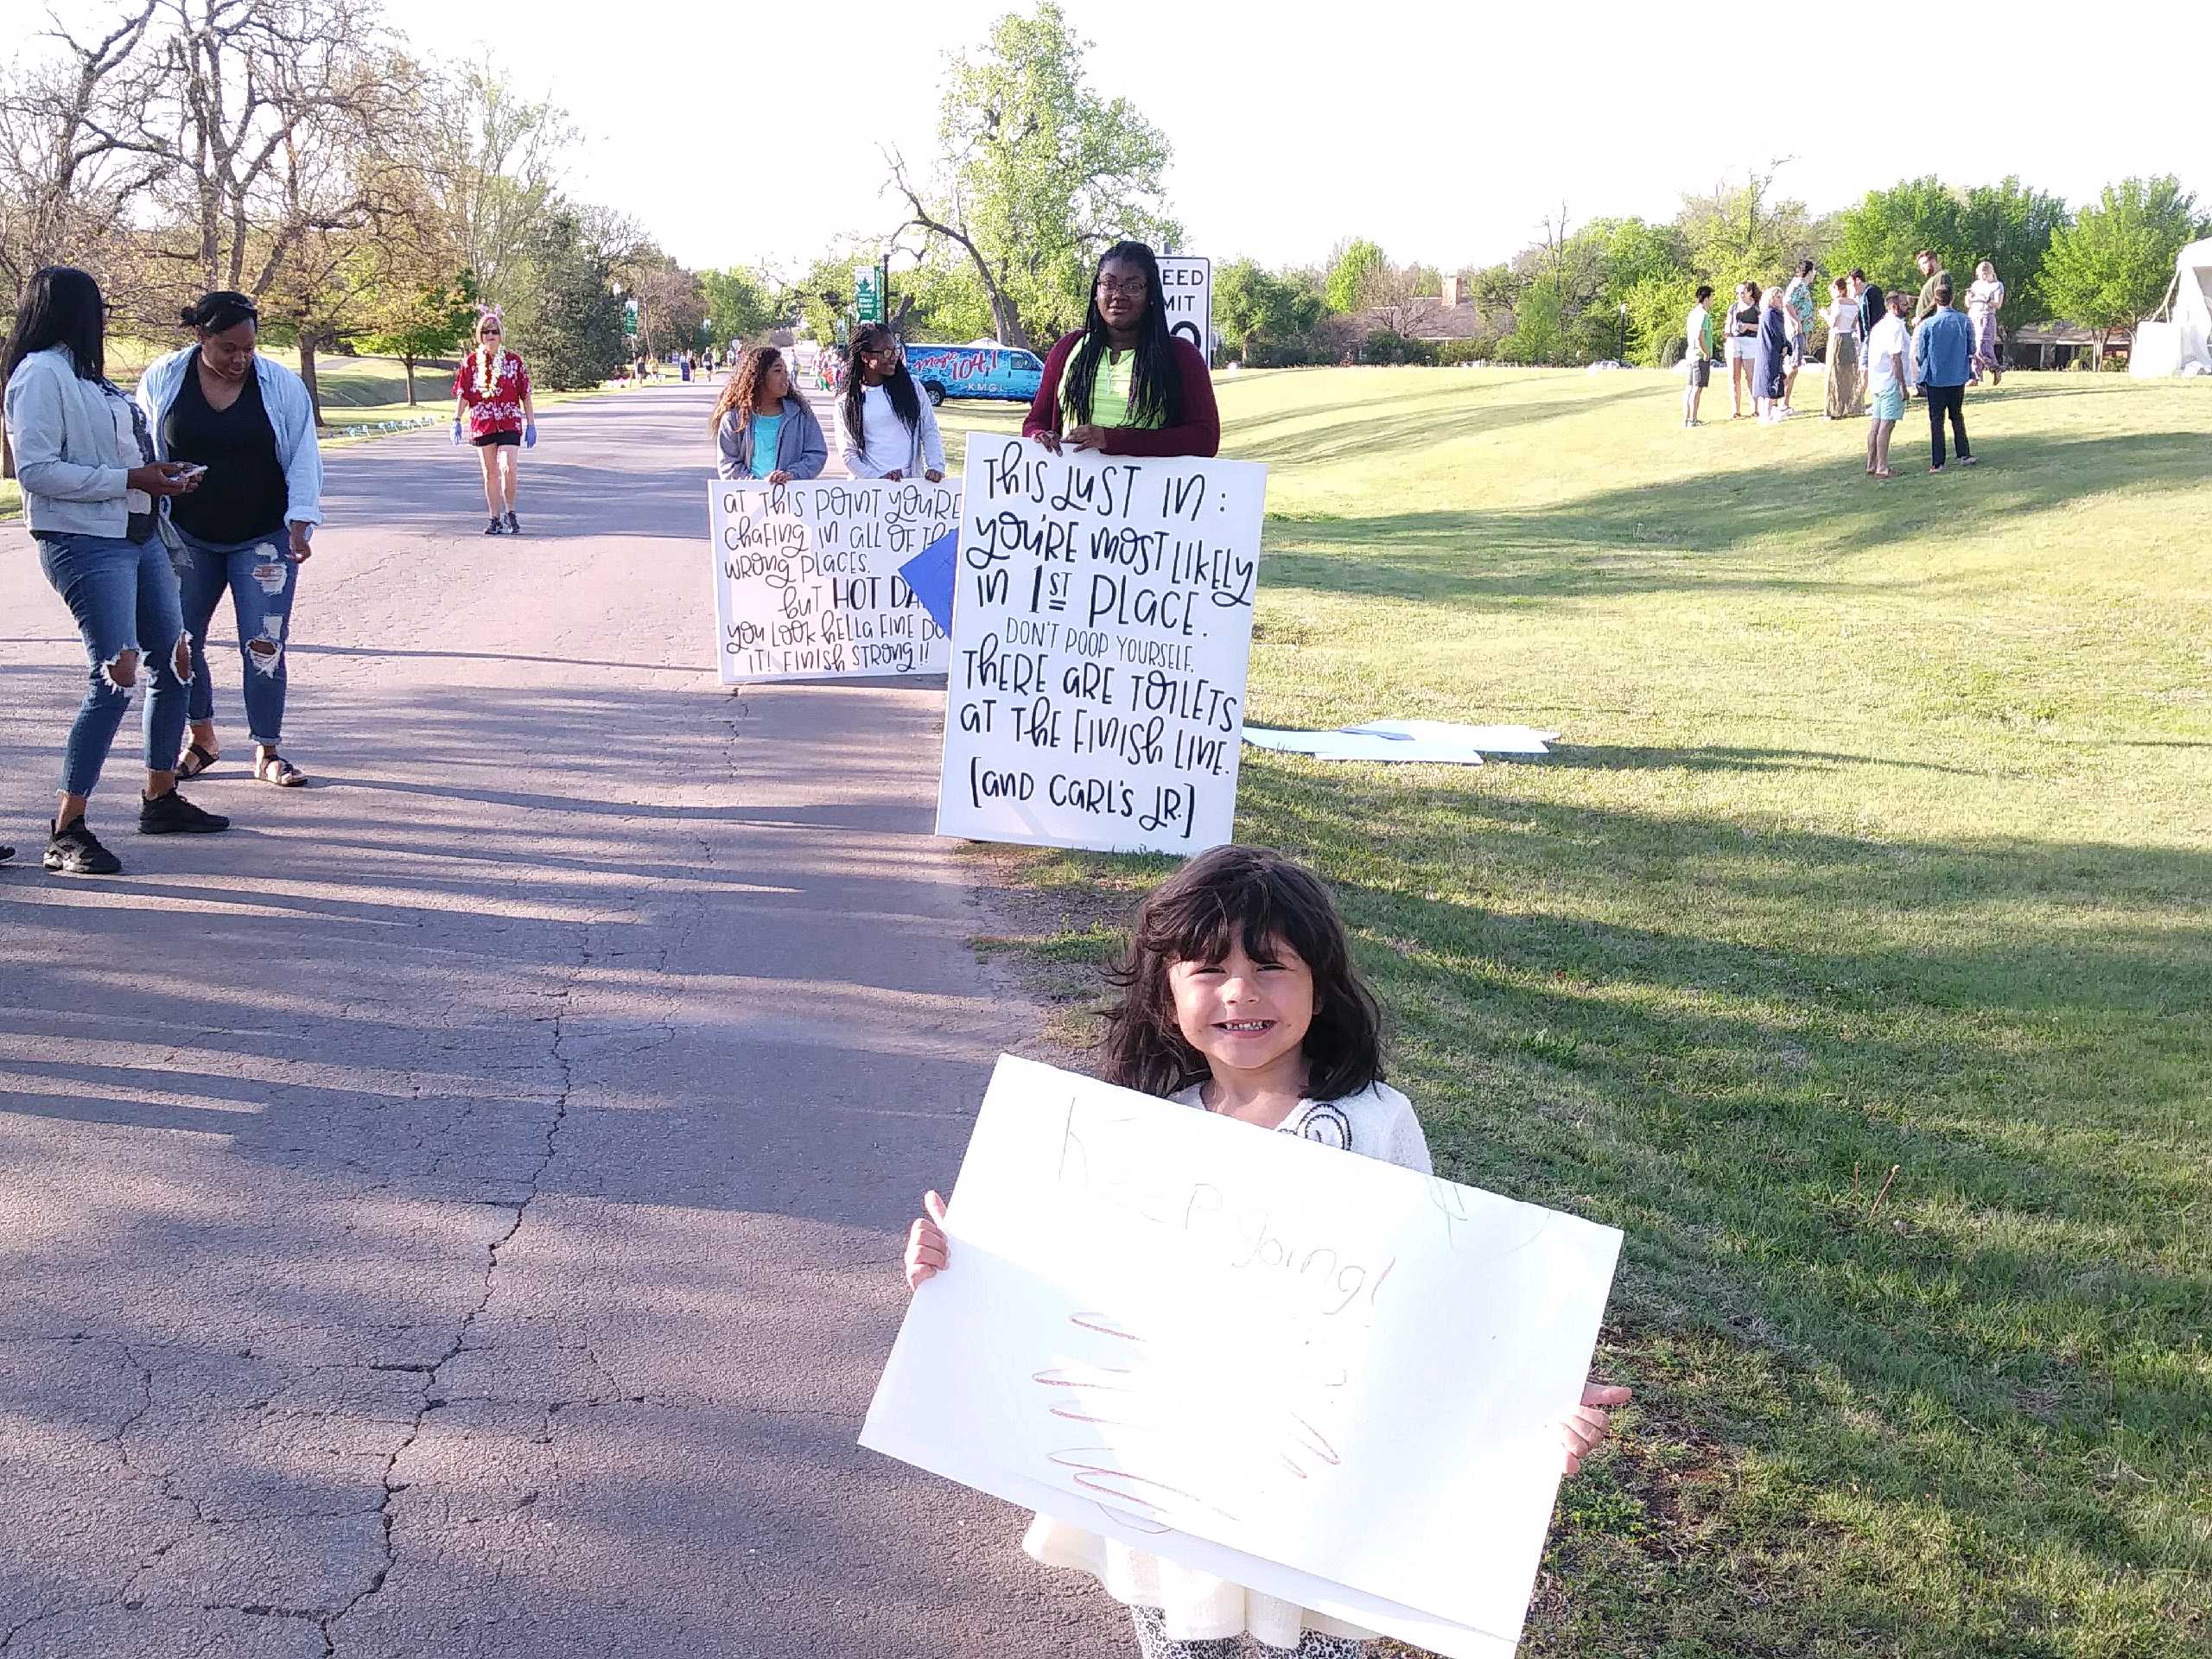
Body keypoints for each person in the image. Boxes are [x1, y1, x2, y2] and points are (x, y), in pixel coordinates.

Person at [900, 845, 1632, 1659]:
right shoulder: (1138, 1132)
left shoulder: (1375, 1122)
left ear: (1321, 989)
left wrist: (1531, 1399)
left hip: (1320, 1493)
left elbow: (1440, 1294)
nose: (1241, 992)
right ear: (1165, 994)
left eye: (1273, 967)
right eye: (1208, 968)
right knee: (1184, 1639)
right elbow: (1058, 1288)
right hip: (1169, 1488)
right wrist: (957, 1265)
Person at [3, 264, 231, 875]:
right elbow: (35, 471)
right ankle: (66, 828)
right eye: (95, 308)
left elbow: (117, 455)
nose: (102, 320)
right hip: (83, 542)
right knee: (115, 674)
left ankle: (160, 798)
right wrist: (129, 479)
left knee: (175, 659)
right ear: (71, 311)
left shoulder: (90, 379)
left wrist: (162, 475)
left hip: (139, 532)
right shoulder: (39, 375)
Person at [137, 290, 323, 789]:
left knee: (263, 644)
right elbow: (144, 446)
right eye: (227, 349)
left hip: (263, 537)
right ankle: (202, 738)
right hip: (184, 537)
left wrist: (301, 521)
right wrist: (160, 482)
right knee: (180, 642)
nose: (240, 359)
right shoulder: (163, 378)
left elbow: (304, 453)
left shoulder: (278, 385)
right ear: (201, 338)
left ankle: (267, 750)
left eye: (249, 348)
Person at [1025, 239, 1220, 458]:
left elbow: (1205, 439)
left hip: (1147, 489)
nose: (1118, 295)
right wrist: (1040, 435)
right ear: (1096, 291)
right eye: (1108, 284)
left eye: (1132, 286)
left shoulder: (1180, 355)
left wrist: (1113, 440)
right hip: (1071, 489)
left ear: (1151, 295)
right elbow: (1035, 421)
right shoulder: (1068, 349)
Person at [451, 308, 536, 536]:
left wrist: (531, 424)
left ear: (501, 335)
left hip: (509, 422)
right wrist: (457, 419)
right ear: (480, 336)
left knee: (508, 467)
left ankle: (511, 513)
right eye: (486, 331)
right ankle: (494, 518)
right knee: (490, 473)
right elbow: (464, 393)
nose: (490, 336)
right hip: (483, 423)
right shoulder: (470, 363)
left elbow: (525, 394)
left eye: (495, 331)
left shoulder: (513, 362)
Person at [836, 323, 946, 482]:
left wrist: (936, 466)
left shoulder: (913, 388)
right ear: (865, 356)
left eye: (895, 350)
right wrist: (877, 478)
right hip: (869, 489)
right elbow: (848, 453)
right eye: (886, 352)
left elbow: (929, 430)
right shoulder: (846, 402)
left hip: (910, 485)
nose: (893, 356)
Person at [711, 345, 827, 481]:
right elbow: (728, 465)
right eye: (778, 370)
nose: (785, 376)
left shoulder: (800, 413)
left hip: (791, 498)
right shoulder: (734, 419)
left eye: (786, 371)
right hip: (750, 499)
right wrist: (757, 485)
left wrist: (792, 475)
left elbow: (817, 453)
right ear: (758, 376)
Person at [1915, 274, 1976, 474]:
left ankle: (1938, 462)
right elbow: (1972, 348)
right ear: (1952, 299)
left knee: (1936, 420)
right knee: (1957, 416)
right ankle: (1963, 454)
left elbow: (1921, 354)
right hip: (1957, 376)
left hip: (1936, 378)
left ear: (1936, 301)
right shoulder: (1964, 321)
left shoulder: (1928, 325)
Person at [1864, 289, 1910, 479]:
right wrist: (1902, 385)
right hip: (1891, 381)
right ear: (1894, 306)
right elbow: (1895, 357)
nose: (1908, 307)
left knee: (1875, 424)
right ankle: (1882, 467)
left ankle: (1871, 463)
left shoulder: (1879, 326)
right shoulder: (1895, 327)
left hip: (1878, 380)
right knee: (1887, 424)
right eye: (1905, 304)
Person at [1821, 276, 1862, 421]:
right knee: (1847, 373)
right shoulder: (1854, 304)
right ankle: (1848, 405)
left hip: (1837, 338)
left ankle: (1833, 409)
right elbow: (1853, 323)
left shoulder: (1837, 303)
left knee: (1834, 373)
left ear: (1839, 289)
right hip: (1849, 337)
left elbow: (1833, 323)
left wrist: (1824, 314)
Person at [1782, 259, 1816, 411]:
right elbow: (1787, 303)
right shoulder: (1798, 285)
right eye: (1813, 271)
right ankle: (1778, 399)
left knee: (1795, 367)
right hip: (1795, 332)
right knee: (1793, 366)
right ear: (1808, 272)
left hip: (1800, 332)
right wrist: (1797, 322)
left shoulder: (1801, 286)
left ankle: (1785, 403)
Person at [1723, 281, 1762, 418]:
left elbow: (1762, 326)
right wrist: (1728, 332)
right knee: (1734, 377)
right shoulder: (1733, 308)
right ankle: (1736, 411)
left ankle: (1755, 409)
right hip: (1734, 342)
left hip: (1751, 342)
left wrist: (1747, 326)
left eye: (1742, 293)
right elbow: (1728, 325)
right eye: (1738, 293)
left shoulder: (1757, 307)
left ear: (1750, 292)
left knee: (1751, 377)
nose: (1740, 296)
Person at [1907, 249, 1942, 396]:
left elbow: (1938, 299)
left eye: (1923, 264)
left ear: (1933, 260)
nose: (1922, 268)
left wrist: (1920, 316)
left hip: (1928, 322)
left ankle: (1921, 386)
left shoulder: (1942, 276)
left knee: (1915, 354)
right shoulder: (1932, 279)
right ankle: (1923, 386)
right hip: (1925, 321)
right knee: (1921, 355)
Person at [1754, 284, 1790, 422]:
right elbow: (1777, 334)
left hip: (1770, 352)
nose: (1781, 300)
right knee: (1770, 383)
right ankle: (1766, 415)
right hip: (1770, 353)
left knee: (1769, 383)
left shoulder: (1771, 314)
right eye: (1777, 297)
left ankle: (1766, 414)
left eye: (1781, 297)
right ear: (1771, 299)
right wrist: (1785, 346)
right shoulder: (1770, 314)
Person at [1967, 260, 2005, 385]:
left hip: (1986, 316)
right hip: (1973, 315)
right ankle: (1975, 376)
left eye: (1985, 274)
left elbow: (1998, 304)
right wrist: (1968, 297)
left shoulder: (1997, 285)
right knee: (1972, 346)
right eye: (1981, 274)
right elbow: (1968, 304)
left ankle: (1995, 367)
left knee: (1982, 345)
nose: (1983, 277)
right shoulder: (1976, 284)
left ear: (1991, 273)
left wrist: (1986, 300)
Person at [1681, 283, 1714, 428]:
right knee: (1697, 388)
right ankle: (1692, 419)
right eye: (1712, 298)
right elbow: (1700, 336)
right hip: (1700, 356)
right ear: (1706, 299)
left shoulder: (1693, 313)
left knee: (1689, 387)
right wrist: (1706, 352)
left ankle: (1687, 418)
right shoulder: (1704, 315)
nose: (1713, 301)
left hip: (1691, 355)